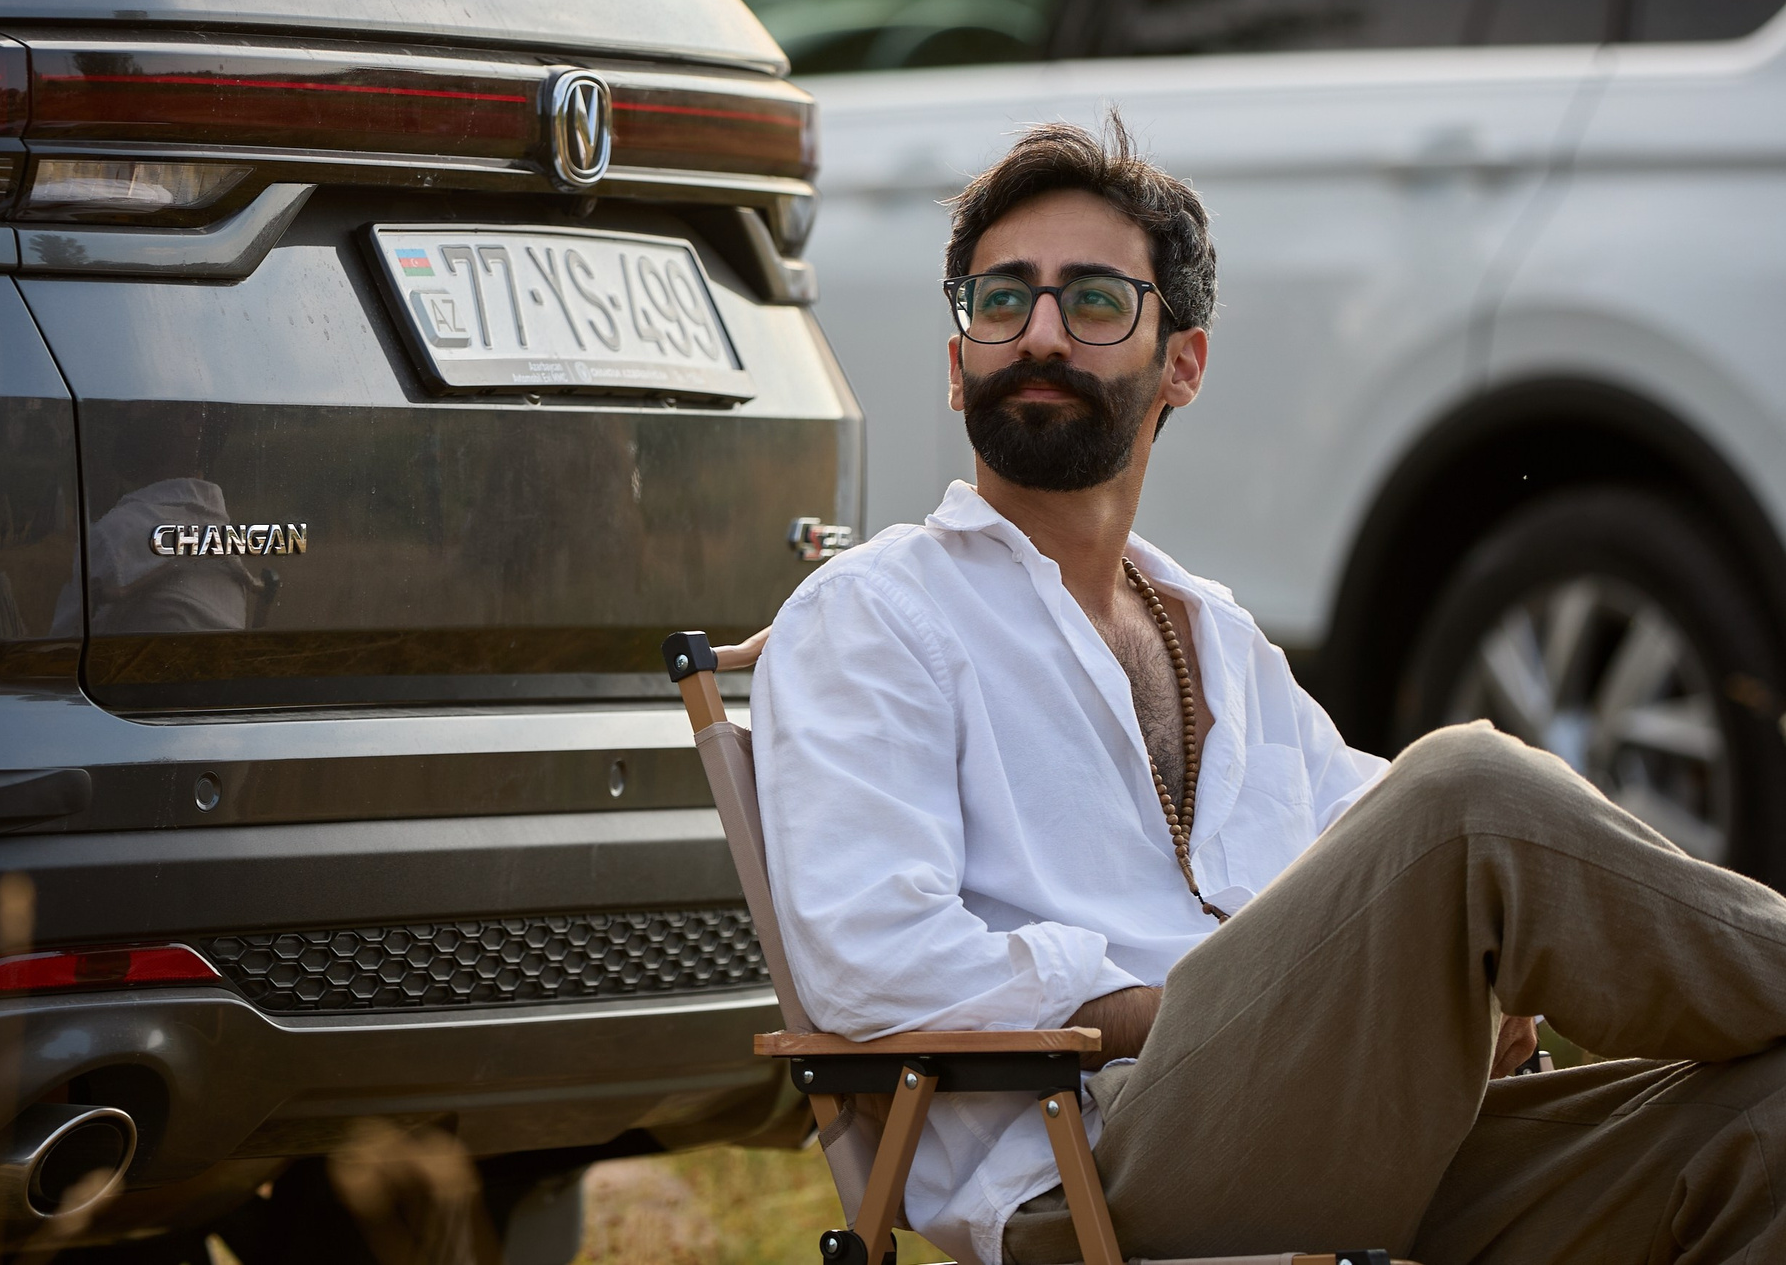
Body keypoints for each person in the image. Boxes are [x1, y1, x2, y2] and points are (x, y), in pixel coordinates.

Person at [753, 119, 1786, 1264]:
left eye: (1093, 302)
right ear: (958, 365)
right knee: (1471, 787)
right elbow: (867, 959)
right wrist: (1171, 1005)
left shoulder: (1215, 638)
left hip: (1348, 1145)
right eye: (1002, 301)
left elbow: (1374, 852)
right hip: (1099, 1170)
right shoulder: (876, 615)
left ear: (1180, 363)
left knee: (1766, 1123)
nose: (1038, 332)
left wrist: (1419, 979)